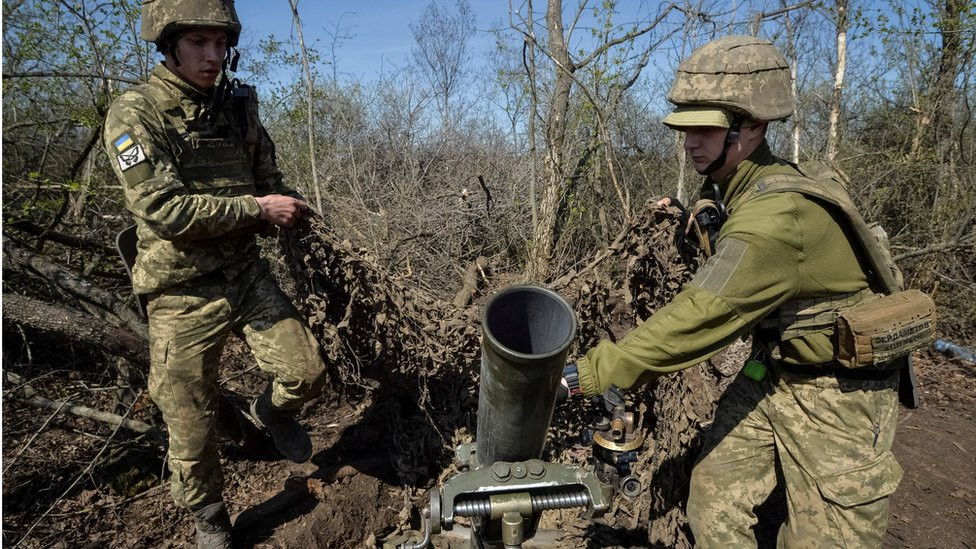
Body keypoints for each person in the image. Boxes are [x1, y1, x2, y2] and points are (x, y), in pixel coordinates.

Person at [561, 35, 920, 547]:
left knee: (824, 540)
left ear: (753, 127)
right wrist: (700, 214)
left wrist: (586, 376)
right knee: (714, 501)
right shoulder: (749, 181)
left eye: (704, 129)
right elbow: (730, 220)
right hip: (771, 371)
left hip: (839, 395)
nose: (689, 143)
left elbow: (701, 314)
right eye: (684, 129)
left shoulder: (777, 218)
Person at [103, 1, 326, 546]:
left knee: (306, 372)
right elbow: (165, 211)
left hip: (243, 272)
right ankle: (209, 520)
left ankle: (271, 413)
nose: (212, 56)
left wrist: (296, 211)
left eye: (220, 44)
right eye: (198, 44)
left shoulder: (239, 105)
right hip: (180, 288)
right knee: (189, 419)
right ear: (169, 45)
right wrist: (257, 210)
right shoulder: (135, 113)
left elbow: (268, 176)